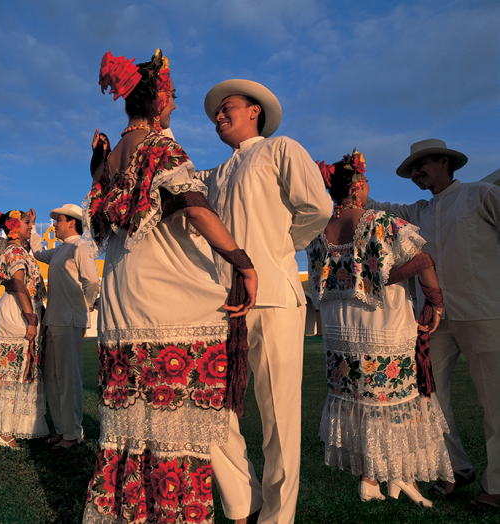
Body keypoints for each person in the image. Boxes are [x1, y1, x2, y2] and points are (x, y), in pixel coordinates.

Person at [81, 49, 258, 524]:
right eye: (172, 95)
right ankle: (186, 510)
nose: (175, 104)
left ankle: (134, 511)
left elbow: (103, 206)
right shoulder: (160, 147)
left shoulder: (111, 157)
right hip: (164, 293)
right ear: (158, 98)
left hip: (121, 299)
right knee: (187, 412)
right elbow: (196, 208)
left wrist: (97, 162)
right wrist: (243, 262)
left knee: (136, 419)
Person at [197, 80, 332, 524]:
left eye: (227, 107)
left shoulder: (280, 149)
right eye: (216, 111)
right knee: (209, 406)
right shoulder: (215, 174)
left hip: (274, 296)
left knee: (278, 421)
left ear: (255, 111)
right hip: (222, 303)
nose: (219, 115)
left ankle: (278, 517)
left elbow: (318, 208)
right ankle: (244, 501)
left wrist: (277, 248)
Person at [306, 150, 453, 508]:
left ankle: (370, 477)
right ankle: (402, 477)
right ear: (358, 185)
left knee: (359, 401)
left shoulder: (317, 232)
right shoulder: (379, 222)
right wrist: (434, 302)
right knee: (397, 401)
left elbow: (320, 285)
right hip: (383, 323)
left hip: (342, 332)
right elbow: (422, 259)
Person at [368, 139, 500, 510]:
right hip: (433, 320)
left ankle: (498, 485)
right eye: (411, 169)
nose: (414, 173)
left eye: (420, 165)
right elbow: (377, 209)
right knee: (428, 399)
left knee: (495, 402)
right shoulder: (417, 211)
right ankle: (454, 469)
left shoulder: (481, 194)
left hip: (485, 312)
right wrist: (350, 186)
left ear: (444, 161)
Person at [29, 203, 100, 450]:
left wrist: (87, 303)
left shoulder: (80, 247)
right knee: (53, 378)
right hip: (54, 321)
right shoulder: (60, 251)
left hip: (69, 321)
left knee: (69, 378)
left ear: (71, 222)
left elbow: (91, 280)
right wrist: (32, 230)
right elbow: (38, 253)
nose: (54, 224)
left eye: (57, 220)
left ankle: (73, 434)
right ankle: (62, 430)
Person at [0, 209, 49, 449]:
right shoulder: (17, 252)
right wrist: (31, 318)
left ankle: (6, 429)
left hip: (15, 311)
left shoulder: (17, 250)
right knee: (14, 371)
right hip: (18, 313)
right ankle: (3, 432)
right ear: (13, 228)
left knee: (13, 371)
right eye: (27, 224)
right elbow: (19, 284)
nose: (31, 227)